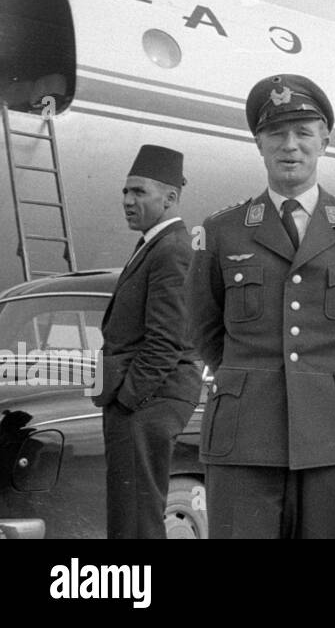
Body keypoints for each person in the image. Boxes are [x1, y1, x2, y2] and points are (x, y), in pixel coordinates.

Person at [187, 74, 335, 538]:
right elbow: (205, 328)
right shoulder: (223, 230)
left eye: (304, 133)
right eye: (276, 134)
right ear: (258, 144)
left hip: (333, 432)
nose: (291, 146)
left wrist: (326, 379)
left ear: (324, 141)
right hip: (245, 435)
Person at [95, 144, 202, 539]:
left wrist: (126, 400)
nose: (127, 200)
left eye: (138, 192)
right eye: (126, 192)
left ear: (170, 197)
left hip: (145, 402)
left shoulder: (172, 250)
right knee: (132, 515)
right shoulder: (155, 245)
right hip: (141, 399)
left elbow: (168, 339)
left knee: (136, 519)